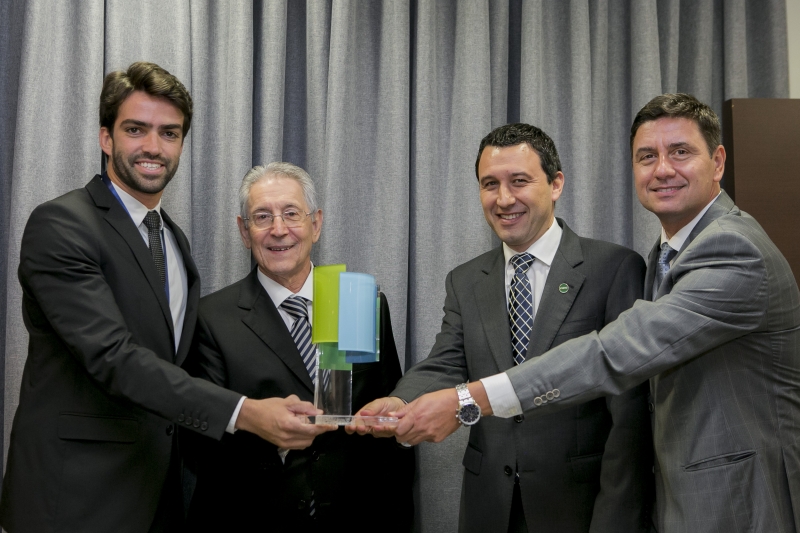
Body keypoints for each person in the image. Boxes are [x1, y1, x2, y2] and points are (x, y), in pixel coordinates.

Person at [374, 94, 800, 532]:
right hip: (541, 504)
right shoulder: (667, 253)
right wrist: (403, 400)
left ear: (717, 161)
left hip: (735, 501)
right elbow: (447, 359)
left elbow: (616, 355)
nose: (663, 169)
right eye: (646, 156)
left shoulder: (731, 248)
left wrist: (468, 399)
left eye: (681, 152)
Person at [0, 62, 329, 533]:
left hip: (156, 495)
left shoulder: (173, 239)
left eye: (170, 133)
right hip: (74, 498)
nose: (154, 147)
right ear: (105, 138)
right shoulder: (61, 224)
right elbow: (113, 357)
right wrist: (246, 413)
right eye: (136, 129)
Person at [353, 124, 653, 532]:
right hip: (488, 506)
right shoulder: (466, 280)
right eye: (489, 184)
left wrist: (618, 519)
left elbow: (630, 413)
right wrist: (402, 402)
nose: (504, 199)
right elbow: (447, 362)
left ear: (556, 183)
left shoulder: (613, 268)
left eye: (519, 181)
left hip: (577, 506)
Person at [184, 162, 415, 532]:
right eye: (262, 217)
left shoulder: (357, 302)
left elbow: (392, 425)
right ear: (244, 231)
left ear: (316, 223)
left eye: (291, 214)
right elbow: (203, 439)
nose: (279, 229)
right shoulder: (211, 318)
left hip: (357, 516)